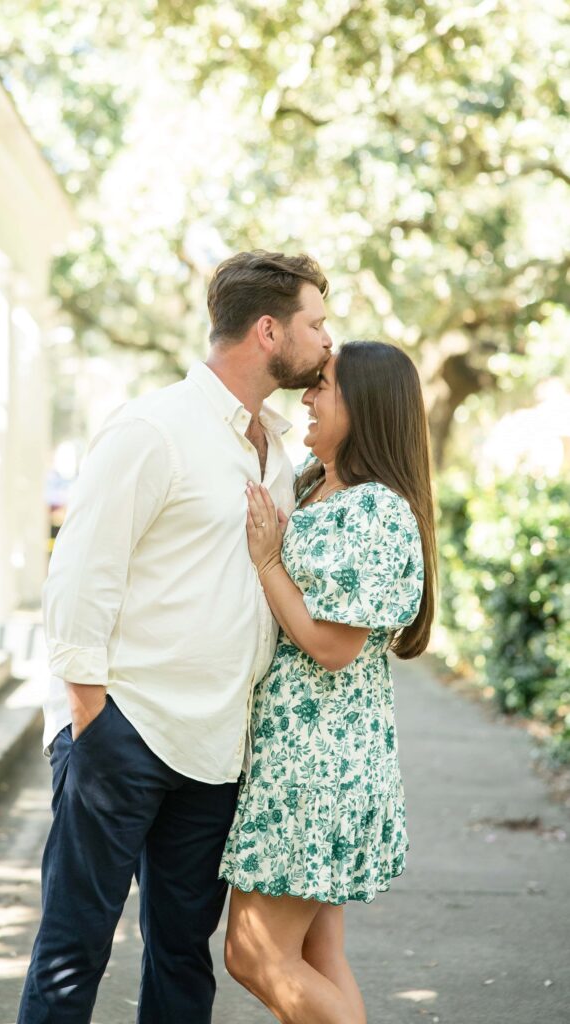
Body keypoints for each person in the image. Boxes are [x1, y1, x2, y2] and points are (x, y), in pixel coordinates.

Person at [16, 250, 333, 1024]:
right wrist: (91, 716)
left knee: (182, 959)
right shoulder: (153, 428)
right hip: (125, 729)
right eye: (316, 323)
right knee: (73, 952)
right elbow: (80, 575)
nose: (327, 341)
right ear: (268, 330)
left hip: (218, 749)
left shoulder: (276, 448)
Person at [219, 341, 437, 1024]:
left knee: (252, 956)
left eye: (324, 387)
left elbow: (331, 645)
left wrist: (267, 563)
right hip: (304, 756)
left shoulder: (373, 510)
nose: (307, 397)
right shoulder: (317, 481)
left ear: (366, 406)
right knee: (315, 957)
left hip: (318, 765)